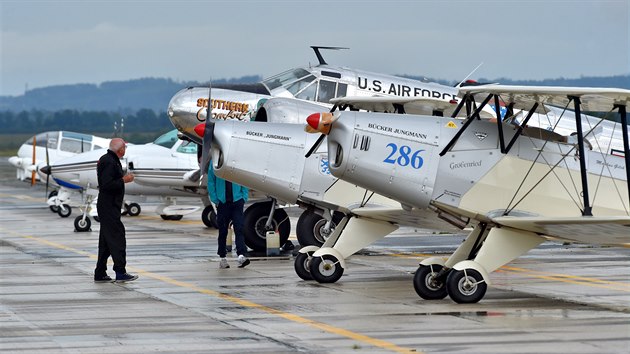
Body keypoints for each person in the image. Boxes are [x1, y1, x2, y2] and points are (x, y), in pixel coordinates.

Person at [94, 138, 138, 283]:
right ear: (120, 150)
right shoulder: (109, 161)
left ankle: (100, 272)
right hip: (109, 206)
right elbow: (106, 184)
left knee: (106, 240)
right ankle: (120, 272)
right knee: (117, 237)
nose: (125, 150)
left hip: (109, 205)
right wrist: (124, 180)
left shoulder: (108, 159)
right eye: (124, 147)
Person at [207, 163, 250, 268]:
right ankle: (222, 257)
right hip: (223, 202)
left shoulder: (236, 159)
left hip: (237, 201)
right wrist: (215, 199)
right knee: (223, 231)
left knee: (239, 228)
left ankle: (241, 255)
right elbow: (211, 181)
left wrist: (244, 196)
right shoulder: (214, 162)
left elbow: (244, 178)